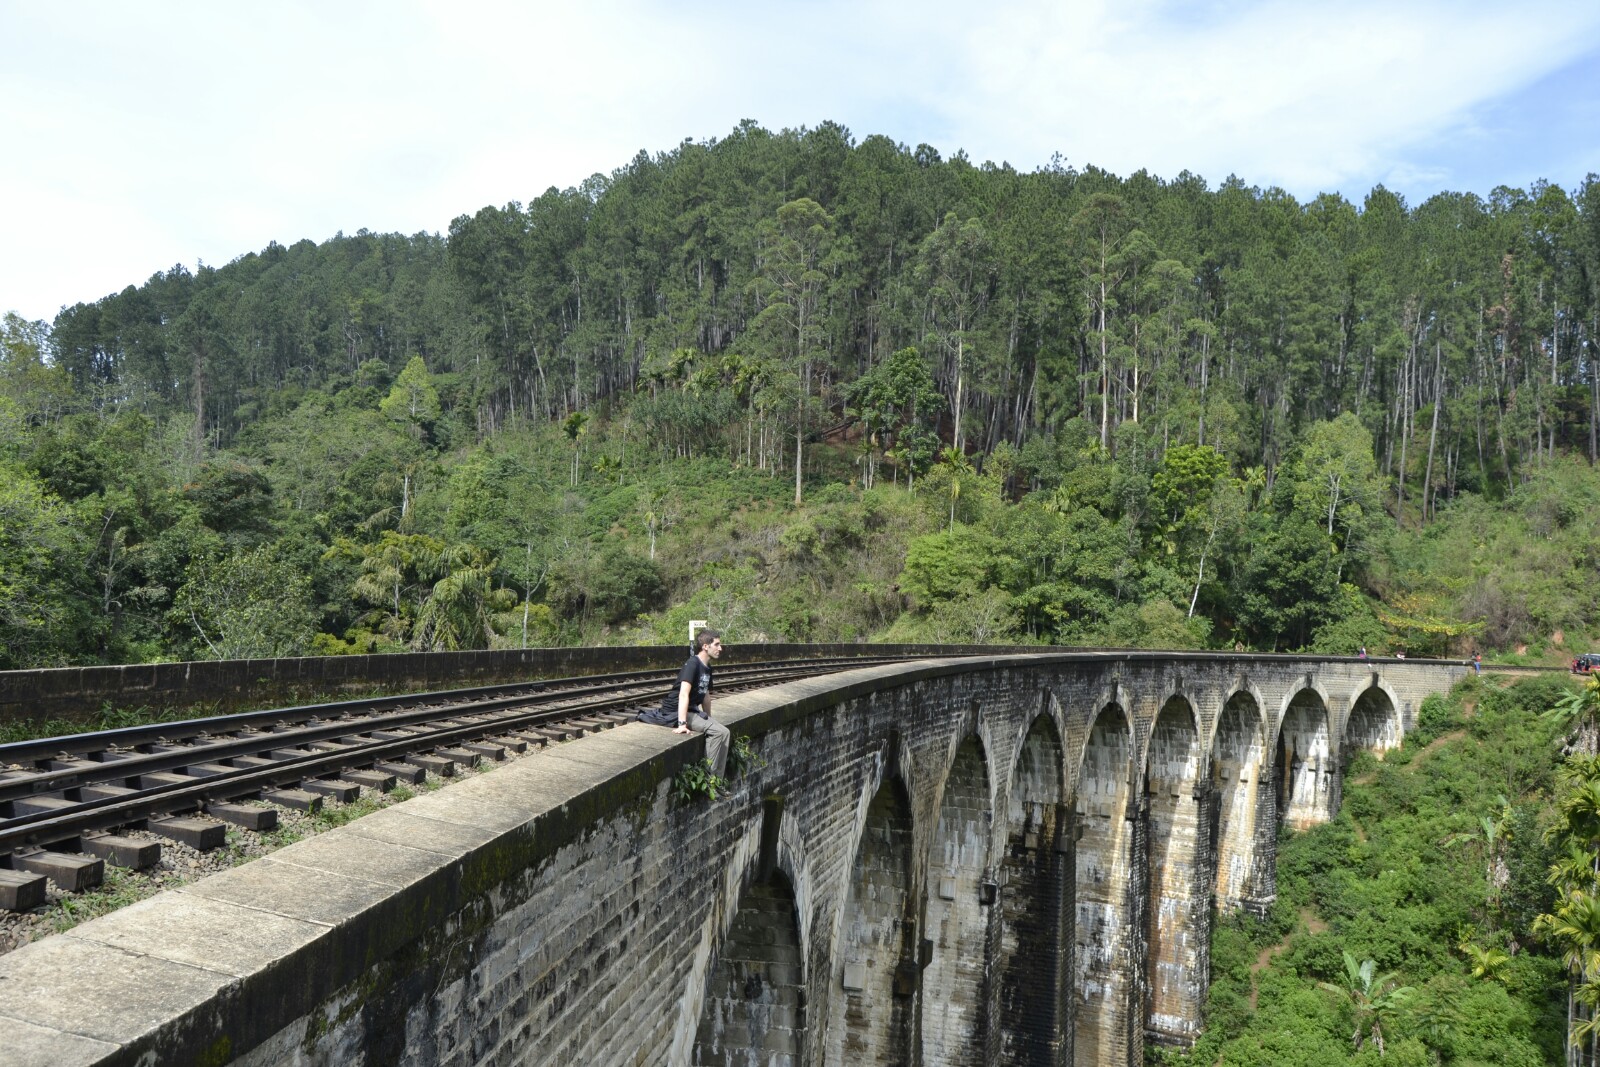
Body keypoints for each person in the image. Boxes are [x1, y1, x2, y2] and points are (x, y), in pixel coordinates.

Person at [640, 628, 730, 777]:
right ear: (705, 646)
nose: (721, 648)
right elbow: (683, 694)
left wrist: (709, 718)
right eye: (717, 644)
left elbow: (706, 696)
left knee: (725, 732)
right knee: (718, 732)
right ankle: (710, 779)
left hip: (691, 710)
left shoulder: (707, 667)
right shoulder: (692, 664)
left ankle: (718, 779)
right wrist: (682, 724)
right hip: (676, 711)